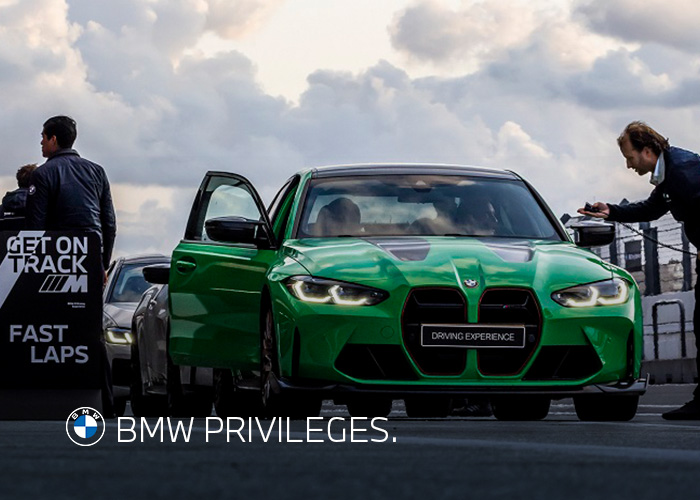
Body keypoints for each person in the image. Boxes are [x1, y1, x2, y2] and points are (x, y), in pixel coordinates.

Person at [578, 121, 700, 420]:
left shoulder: (683, 172)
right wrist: (611, 210)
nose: (628, 165)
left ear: (647, 150)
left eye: (629, 157)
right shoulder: (669, 173)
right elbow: (651, 209)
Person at [25, 115, 117, 417]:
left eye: (43, 137)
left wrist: (32, 271)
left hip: (55, 265)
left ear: (53, 139)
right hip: (89, 263)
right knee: (92, 333)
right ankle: (106, 403)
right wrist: (102, 265)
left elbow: (35, 230)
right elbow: (109, 224)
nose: (40, 142)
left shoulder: (43, 174)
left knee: (49, 332)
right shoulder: (97, 171)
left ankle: (48, 399)